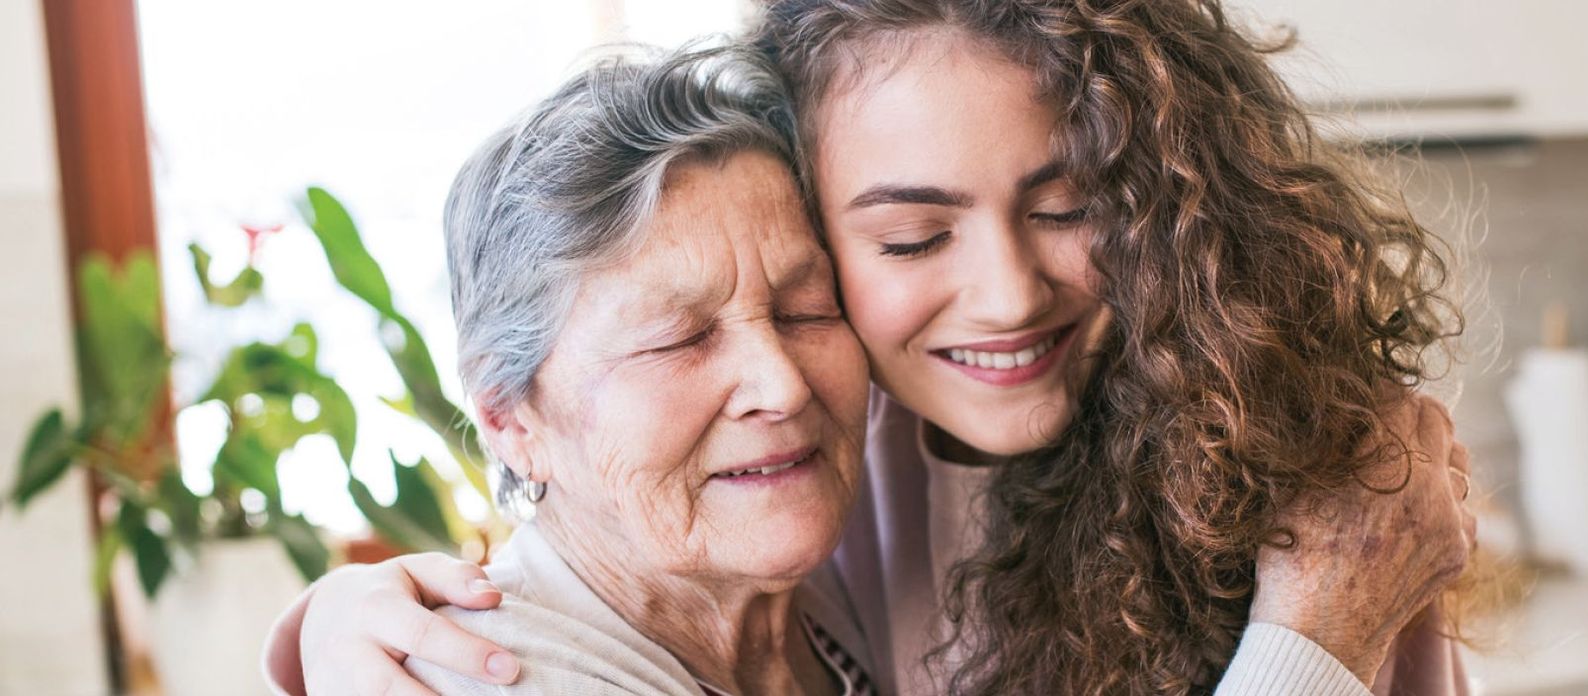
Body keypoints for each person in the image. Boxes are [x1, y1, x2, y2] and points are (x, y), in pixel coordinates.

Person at [263, 2, 1476, 694]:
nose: (1004, 295)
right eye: (909, 237)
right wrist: (1310, 645)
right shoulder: (808, 490)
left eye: (1067, 207)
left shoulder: (1291, 456)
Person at [396, 48, 875, 694]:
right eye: (681, 339)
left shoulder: (855, 597)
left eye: (806, 309)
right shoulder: (485, 678)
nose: (783, 385)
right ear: (510, 419)